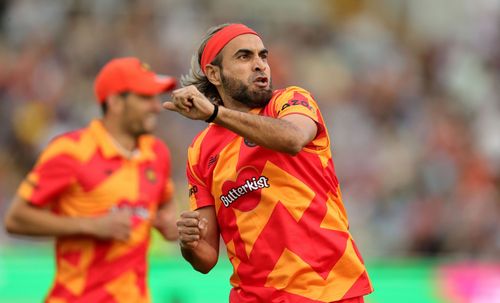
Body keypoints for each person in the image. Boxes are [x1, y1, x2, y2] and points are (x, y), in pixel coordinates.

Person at [164, 23, 374, 303]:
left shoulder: (290, 101)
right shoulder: (200, 151)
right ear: (214, 73)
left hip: (328, 290)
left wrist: (215, 113)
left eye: (262, 56)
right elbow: (206, 259)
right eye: (244, 57)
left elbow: (293, 138)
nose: (261, 65)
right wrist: (189, 243)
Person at [4, 57, 179, 303]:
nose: (156, 107)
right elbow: (16, 219)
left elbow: (165, 200)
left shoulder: (157, 153)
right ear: (116, 102)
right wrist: (91, 226)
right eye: (145, 98)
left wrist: (169, 221)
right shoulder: (71, 151)